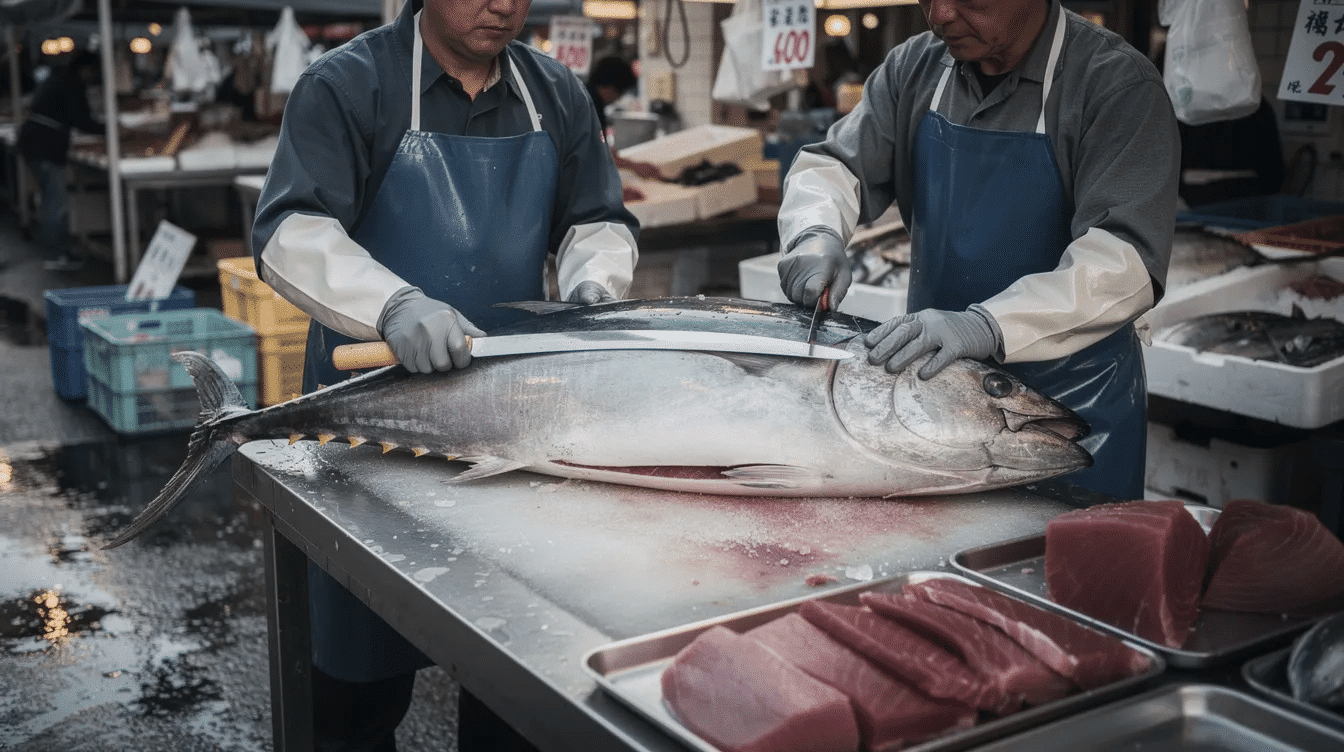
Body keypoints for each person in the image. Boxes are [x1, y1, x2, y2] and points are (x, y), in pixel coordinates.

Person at [250, 1, 638, 749]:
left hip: (511, 428)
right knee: (352, 691)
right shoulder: (346, 84)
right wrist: (391, 304)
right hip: (369, 431)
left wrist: (595, 288)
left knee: (514, 673)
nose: (504, 6)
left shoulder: (555, 91)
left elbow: (598, 219)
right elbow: (290, 231)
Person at [776, 0, 1179, 501]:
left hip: (1070, 411)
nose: (940, 15)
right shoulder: (914, 68)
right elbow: (835, 165)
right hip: (933, 395)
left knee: (1066, 566)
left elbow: (1127, 260)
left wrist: (986, 325)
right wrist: (814, 234)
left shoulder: (1115, 85)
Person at [17, 49, 103, 272]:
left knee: (50, 199)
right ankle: (57, 252)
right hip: (45, 146)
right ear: (84, 69)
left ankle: (57, 248)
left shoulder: (60, 79)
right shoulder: (70, 85)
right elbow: (80, 118)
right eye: (92, 71)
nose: (93, 77)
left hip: (37, 143)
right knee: (55, 201)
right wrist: (107, 129)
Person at [585, 55, 663, 199]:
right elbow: (593, 155)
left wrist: (635, 166)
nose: (618, 99)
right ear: (611, 88)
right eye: (619, 93)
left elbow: (603, 150)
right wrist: (615, 192)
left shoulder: (589, 97)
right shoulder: (589, 106)